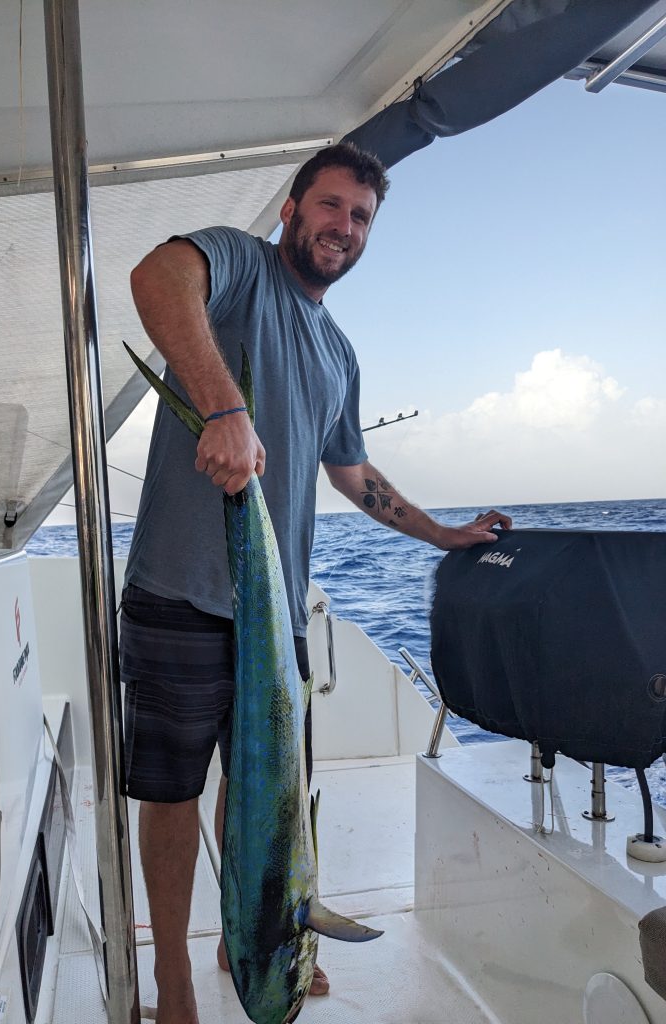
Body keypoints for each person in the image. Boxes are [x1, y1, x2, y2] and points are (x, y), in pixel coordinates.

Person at [121, 142, 512, 1024]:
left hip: (275, 615)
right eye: (330, 205)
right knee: (174, 794)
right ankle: (174, 978)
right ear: (293, 207)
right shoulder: (239, 264)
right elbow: (155, 276)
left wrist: (443, 533)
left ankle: (249, 932)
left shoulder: (338, 350)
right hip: (179, 592)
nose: (343, 226)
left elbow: (352, 472)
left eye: (361, 216)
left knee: (264, 791)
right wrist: (224, 408)